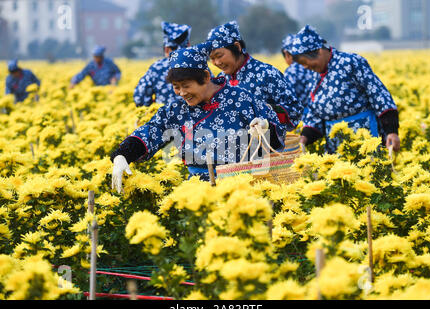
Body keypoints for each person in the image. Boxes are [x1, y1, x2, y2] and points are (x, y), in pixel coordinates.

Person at [111, 45, 286, 189]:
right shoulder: (176, 110)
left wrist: (265, 126)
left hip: (243, 186)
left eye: (186, 86)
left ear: (206, 77)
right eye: (176, 87)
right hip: (197, 189)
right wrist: (122, 155)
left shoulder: (240, 98)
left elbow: (276, 136)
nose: (182, 93)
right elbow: (153, 130)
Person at [286, 25, 400, 154]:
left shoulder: (350, 62)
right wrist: (304, 137)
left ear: (318, 51)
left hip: (365, 137)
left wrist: (392, 130)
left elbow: (378, 95)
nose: (306, 67)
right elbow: (315, 111)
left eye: (305, 62)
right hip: (335, 144)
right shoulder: (315, 74)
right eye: (302, 64)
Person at [203, 21, 304, 132]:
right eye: (211, 58)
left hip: (265, 146)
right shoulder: (221, 80)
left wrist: (266, 114)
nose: (216, 62)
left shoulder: (266, 73)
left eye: (219, 55)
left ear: (237, 47)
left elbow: (295, 111)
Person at [133, 22, 192, 107]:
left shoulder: (157, 68)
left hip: (163, 118)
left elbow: (139, 98)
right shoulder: (198, 65)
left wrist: (152, 109)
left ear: (167, 49)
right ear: (189, 45)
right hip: (195, 119)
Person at [281, 34, 316, 119]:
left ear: (287, 54)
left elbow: (287, 100)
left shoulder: (291, 72)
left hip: (301, 119)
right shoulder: (314, 66)